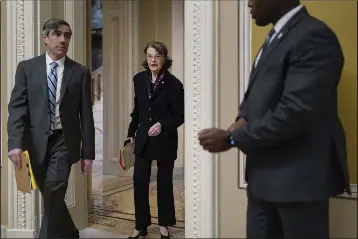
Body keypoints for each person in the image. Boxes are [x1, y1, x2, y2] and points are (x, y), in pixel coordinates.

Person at [198, 0, 351, 238]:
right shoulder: (275, 36)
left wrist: (232, 139)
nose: (248, 2)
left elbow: (294, 112)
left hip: (297, 183)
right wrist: (239, 122)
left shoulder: (314, 36)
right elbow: (256, 99)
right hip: (263, 179)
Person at [7, 18, 95, 239]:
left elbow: (86, 114)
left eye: (67, 35)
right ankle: (71, 232)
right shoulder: (27, 68)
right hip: (35, 144)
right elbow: (17, 108)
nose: (63, 39)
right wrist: (15, 145)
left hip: (64, 142)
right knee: (51, 195)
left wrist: (88, 154)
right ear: (45, 38)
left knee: (55, 189)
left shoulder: (80, 72)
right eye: (57, 34)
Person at [127, 41, 184, 239]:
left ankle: (164, 224)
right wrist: (130, 133)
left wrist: (163, 125)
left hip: (165, 141)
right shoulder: (139, 79)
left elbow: (179, 116)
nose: (153, 60)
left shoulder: (175, 84)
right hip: (143, 139)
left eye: (157, 56)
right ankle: (141, 225)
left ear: (164, 59)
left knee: (164, 183)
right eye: (150, 56)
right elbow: (137, 111)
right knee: (139, 181)